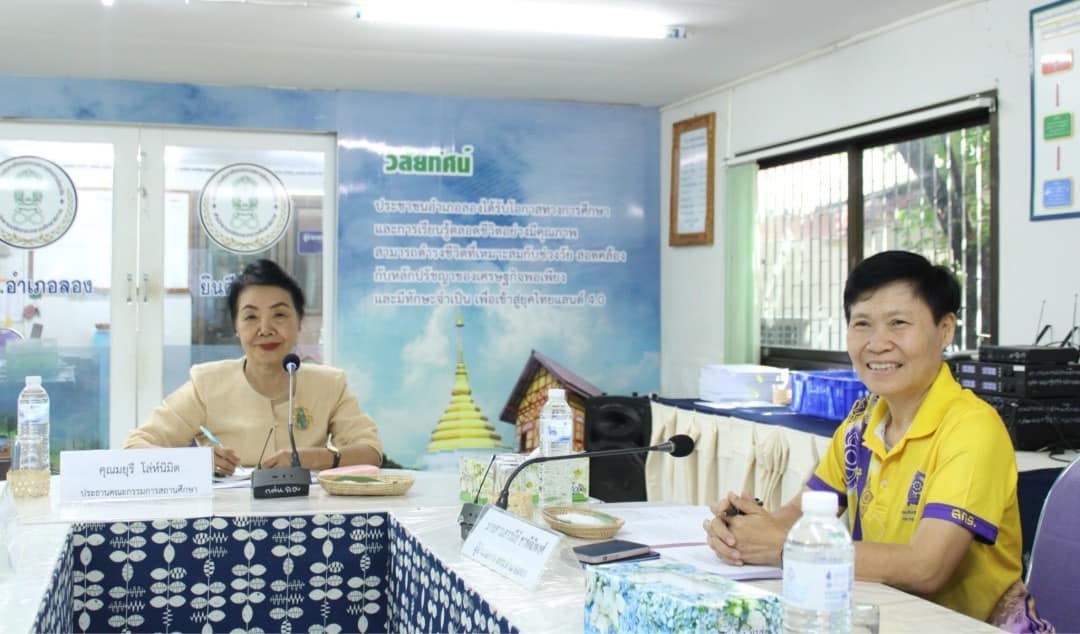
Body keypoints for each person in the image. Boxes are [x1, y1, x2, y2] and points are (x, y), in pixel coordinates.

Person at [703, 251, 1052, 631]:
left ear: (945, 329)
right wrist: (743, 530)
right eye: (862, 324)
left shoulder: (972, 428)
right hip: (883, 619)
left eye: (898, 323)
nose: (878, 343)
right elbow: (796, 518)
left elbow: (926, 567)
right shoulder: (861, 423)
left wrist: (785, 548)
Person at [124, 259, 381, 475]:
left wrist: (314, 458)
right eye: (251, 317)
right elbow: (136, 447)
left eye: (279, 315)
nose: (265, 329)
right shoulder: (207, 383)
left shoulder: (329, 384)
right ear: (236, 327)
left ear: (299, 321)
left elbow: (370, 452)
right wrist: (196, 462)